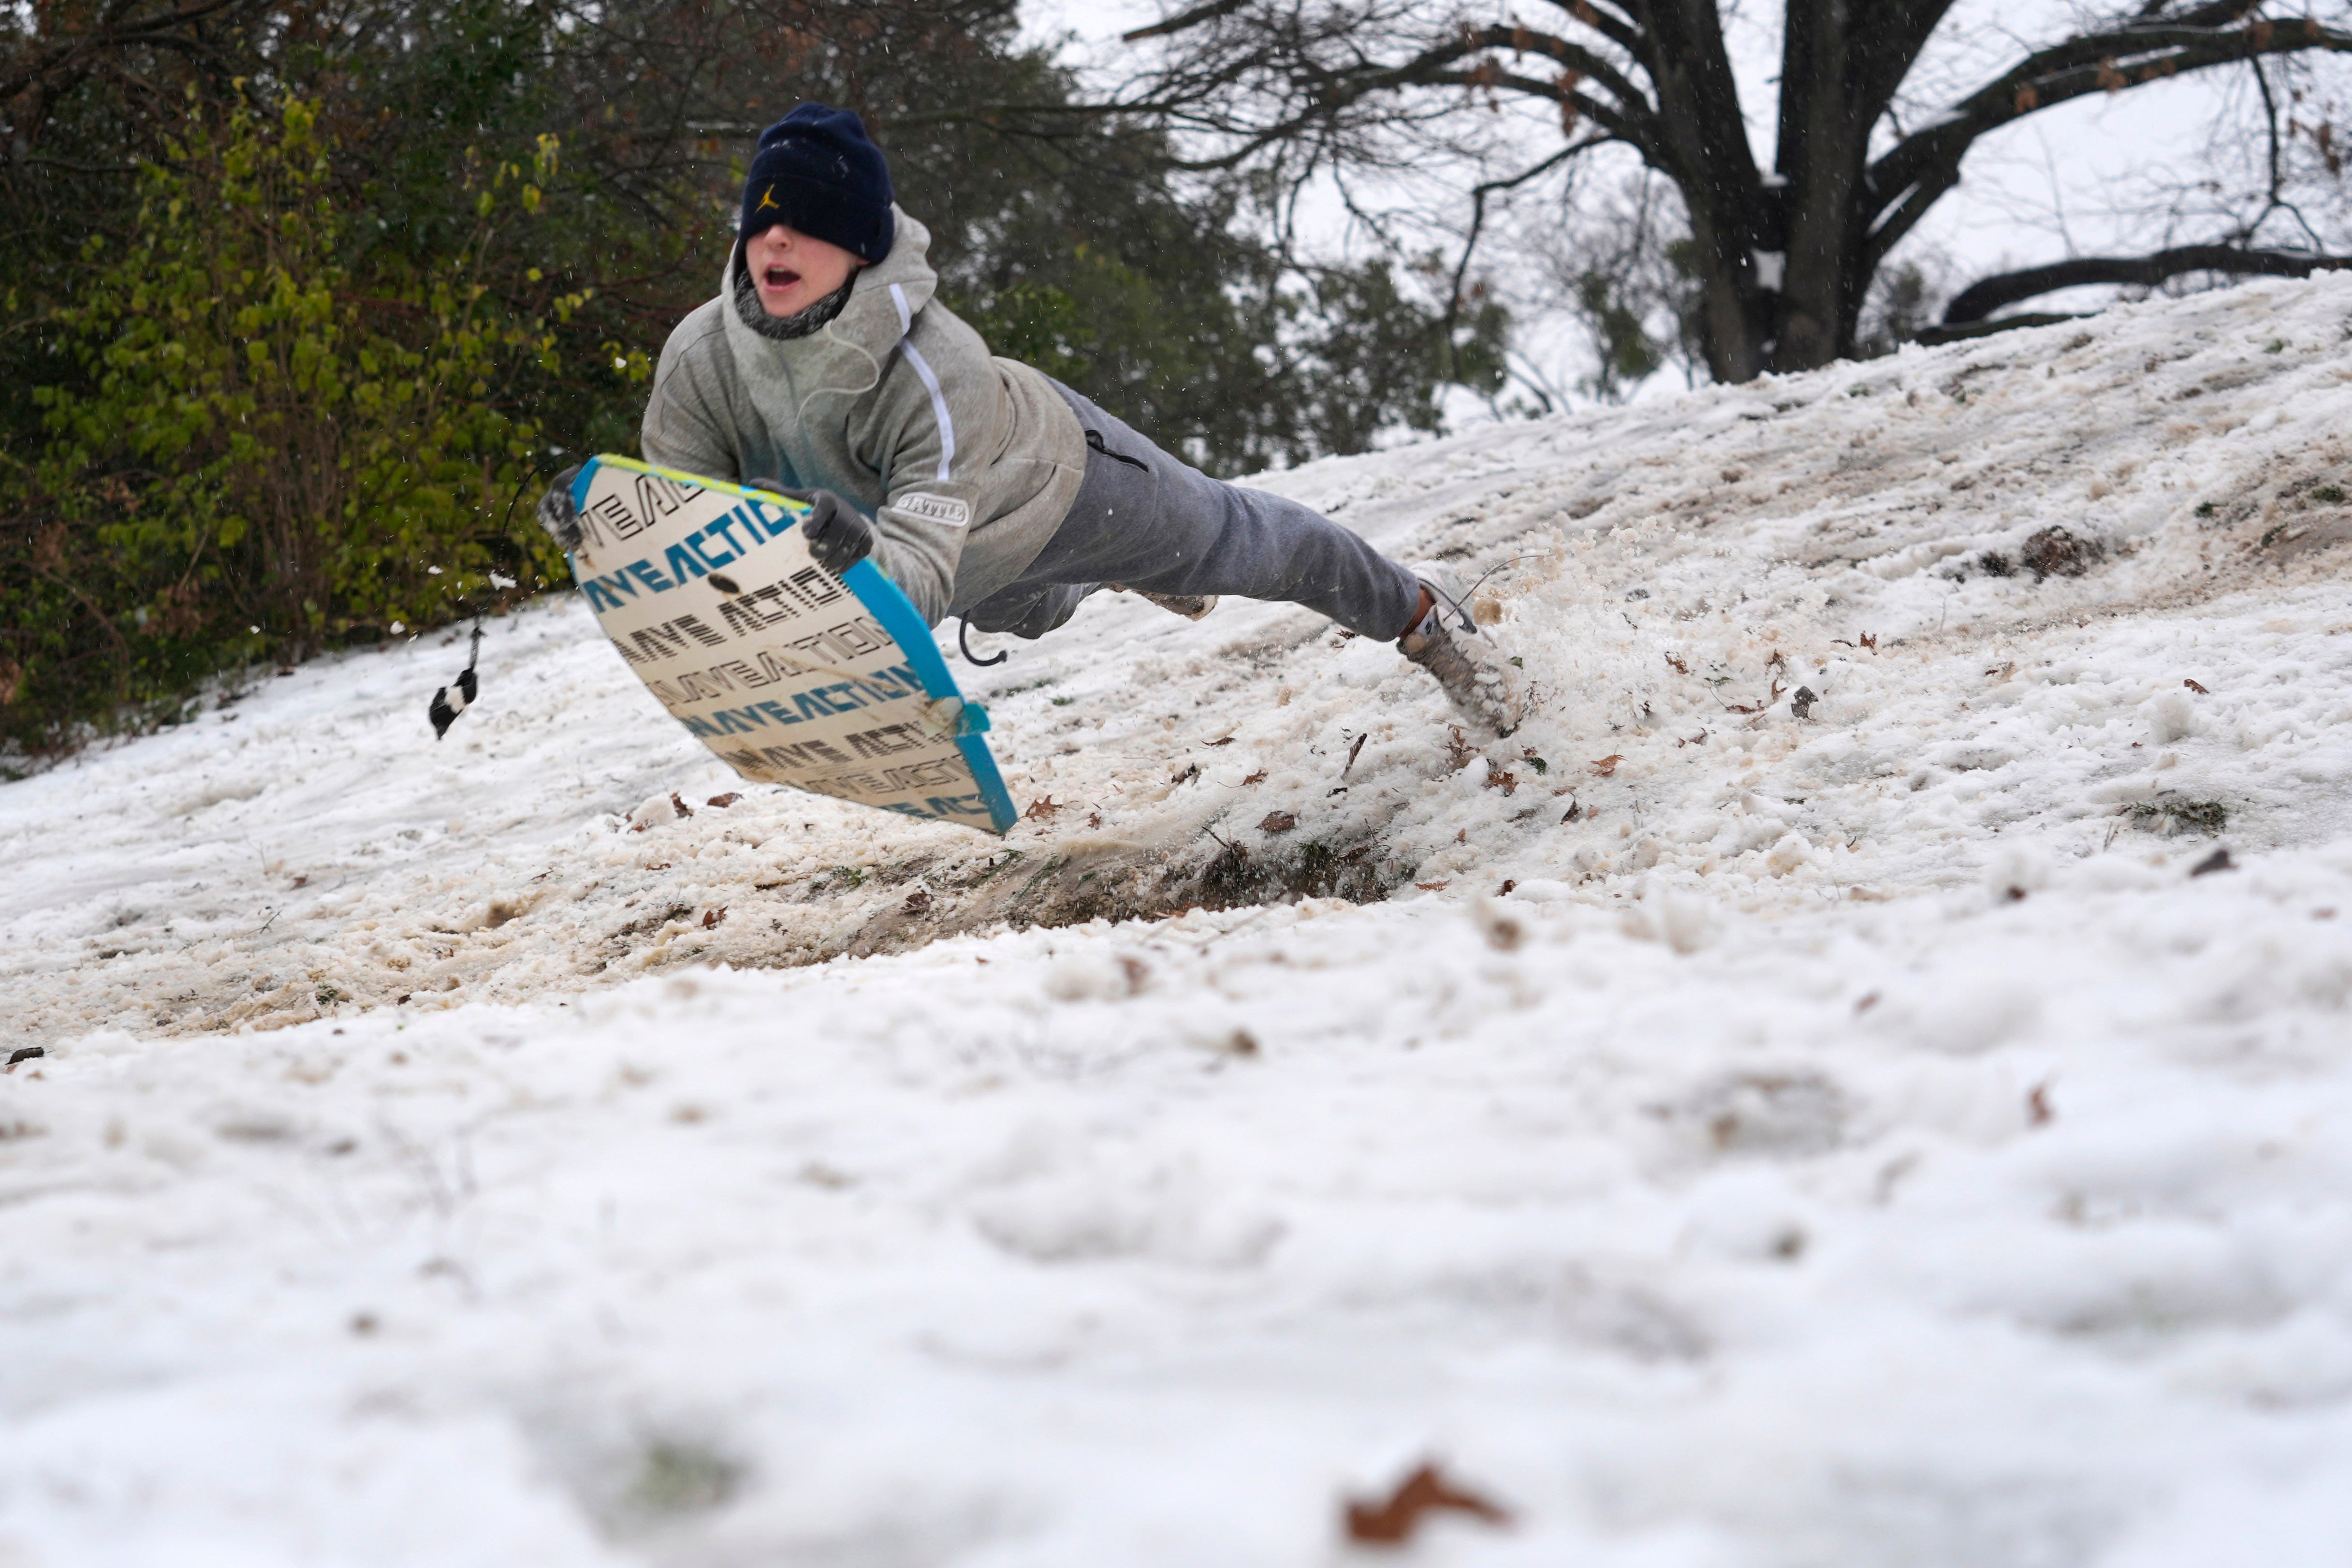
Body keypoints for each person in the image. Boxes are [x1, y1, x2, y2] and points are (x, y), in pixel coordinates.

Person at [539, 103, 1521, 735]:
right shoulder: (700, 358)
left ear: (865, 248)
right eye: (764, 219)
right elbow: (683, 512)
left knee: (1245, 541)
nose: (780, 239)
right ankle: (1104, 583)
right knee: (1035, 610)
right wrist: (608, 528)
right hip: (963, 566)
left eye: (814, 224)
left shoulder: (937, 370)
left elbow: (918, 576)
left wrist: (858, 561)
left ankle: (1426, 620)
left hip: (1055, 484)